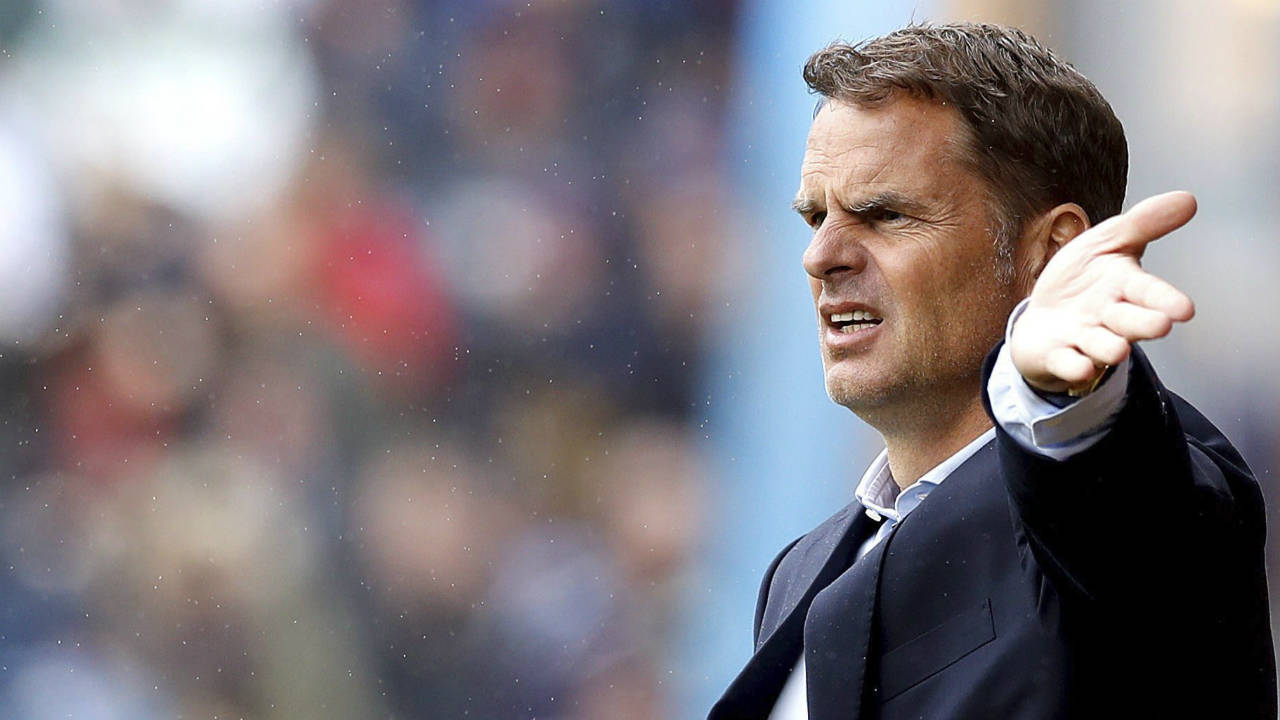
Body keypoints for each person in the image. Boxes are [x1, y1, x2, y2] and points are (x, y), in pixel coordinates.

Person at [708, 22, 1275, 720]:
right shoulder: (800, 570)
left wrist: (1059, 393)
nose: (821, 256)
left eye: (885, 216)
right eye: (815, 217)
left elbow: (1127, 517)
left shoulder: (1135, 493)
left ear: (1052, 250)